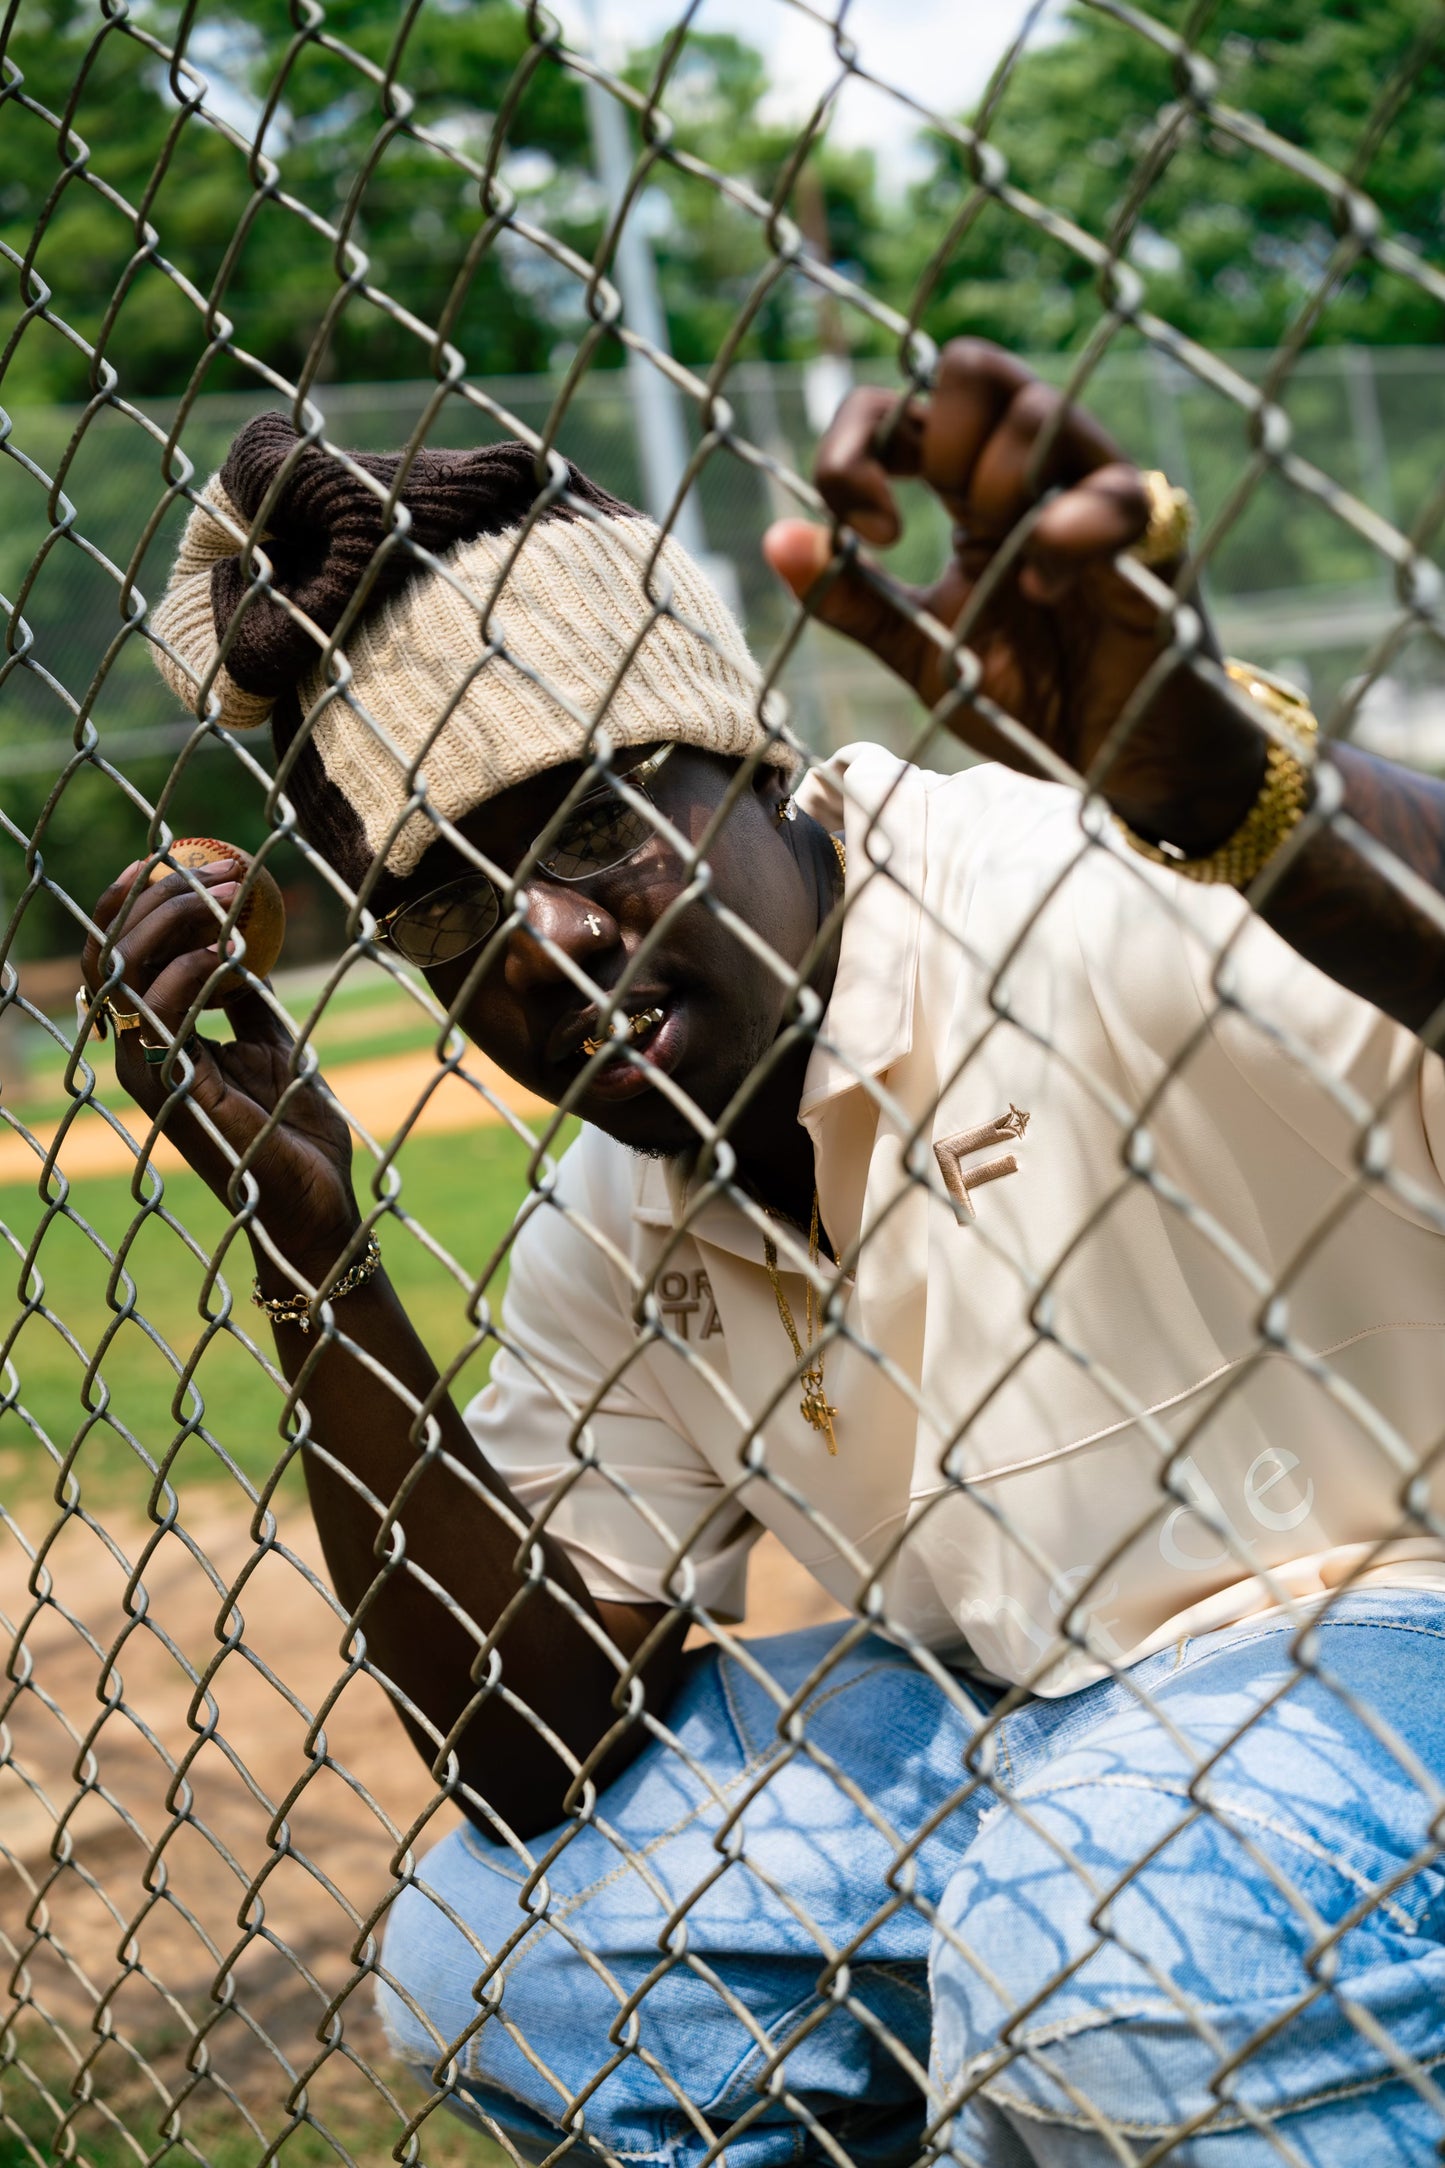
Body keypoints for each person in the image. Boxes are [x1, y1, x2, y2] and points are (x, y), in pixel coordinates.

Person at [83, 344, 1445, 2166]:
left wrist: (1215, 787)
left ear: (759, 768)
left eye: (593, 830)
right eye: (446, 907)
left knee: (1112, 1927)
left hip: (1386, 1644)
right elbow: (529, 1756)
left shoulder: (1093, 884)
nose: (545, 943)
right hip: (1048, 1753)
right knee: (506, 1955)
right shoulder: (628, 1199)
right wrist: (311, 1238)